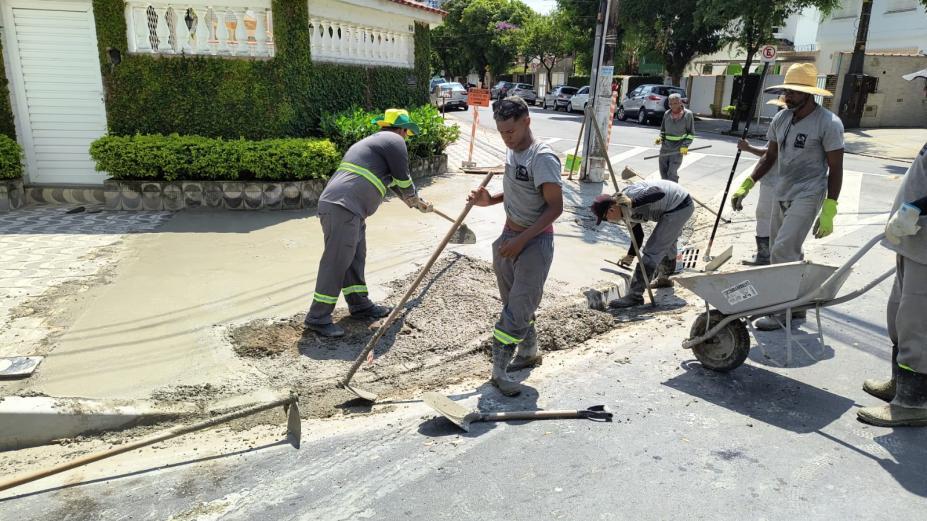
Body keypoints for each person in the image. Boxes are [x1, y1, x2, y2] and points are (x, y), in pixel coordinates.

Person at [729, 63, 845, 331]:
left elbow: (836, 168)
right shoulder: (781, 119)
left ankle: (781, 313)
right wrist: (747, 183)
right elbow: (771, 156)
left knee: (782, 249)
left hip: (809, 192)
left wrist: (830, 207)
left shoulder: (828, 123)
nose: (787, 97)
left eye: (793, 92)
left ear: (809, 94)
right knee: (782, 251)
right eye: (786, 91)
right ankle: (797, 307)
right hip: (783, 190)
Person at [304, 109, 432, 338]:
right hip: (343, 207)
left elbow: (394, 182)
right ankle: (318, 317)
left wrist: (415, 202)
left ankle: (360, 305)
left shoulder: (376, 144)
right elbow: (403, 179)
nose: (406, 138)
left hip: (349, 209)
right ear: (402, 129)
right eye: (407, 133)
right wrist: (414, 198)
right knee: (336, 261)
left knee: (354, 258)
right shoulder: (394, 141)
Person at [468, 96, 564, 397]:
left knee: (518, 308)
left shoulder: (542, 158)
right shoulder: (512, 153)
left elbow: (555, 208)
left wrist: (522, 240)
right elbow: (515, 189)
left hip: (534, 243)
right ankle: (529, 351)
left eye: (510, 131)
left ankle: (499, 371)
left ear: (527, 122)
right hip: (508, 239)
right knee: (515, 305)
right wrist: (490, 200)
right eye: (501, 132)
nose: (506, 138)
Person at [857, 67, 927, 427]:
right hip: (913, 240)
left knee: (917, 323)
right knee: (899, 314)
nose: (925, 93)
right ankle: (902, 385)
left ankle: (914, 403)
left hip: (925, 246)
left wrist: (919, 207)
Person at [590, 179, 694, 308]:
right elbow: (637, 235)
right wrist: (630, 255)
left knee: (652, 249)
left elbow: (658, 192)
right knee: (667, 242)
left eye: (606, 219)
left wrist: (632, 202)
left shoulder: (630, 197)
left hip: (679, 205)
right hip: (671, 207)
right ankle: (664, 279)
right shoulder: (624, 213)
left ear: (611, 210)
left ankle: (635, 296)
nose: (609, 221)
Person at [737, 96, 787, 266]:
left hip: (775, 181)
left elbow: (770, 155)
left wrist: (748, 148)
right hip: (777, 180)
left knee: (766, 216)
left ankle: (766, 255)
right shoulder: (784, 122)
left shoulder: (786, 125)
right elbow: (769, 152)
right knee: (774, 218)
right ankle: (772, 254)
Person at [655, 93, 696, 183]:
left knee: (672, 172)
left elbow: (691, 133)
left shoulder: (688, 114)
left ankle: (673, 190)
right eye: (671, 104)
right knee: (663, 171)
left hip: (678, 147)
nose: (673, 106)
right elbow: (663, 130)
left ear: (680, 102)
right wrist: (660, 139)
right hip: (665, 147)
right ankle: (666, 191)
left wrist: (685, 146)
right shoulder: (667, 113)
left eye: (675, 103)